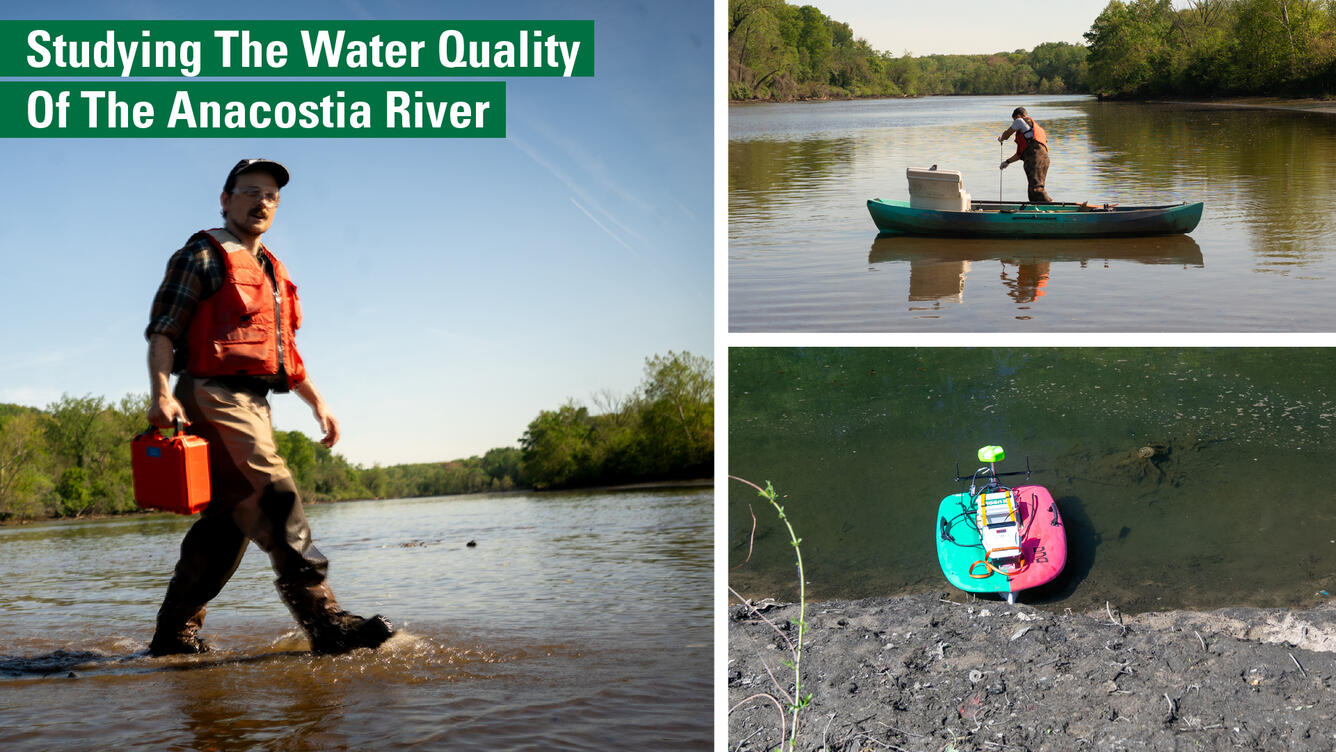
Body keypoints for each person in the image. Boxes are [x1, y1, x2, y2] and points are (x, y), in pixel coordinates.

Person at [144, 158, 394, 656]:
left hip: (253, 403)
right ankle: (327, 624)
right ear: (225, 199)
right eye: (251, 191)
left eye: (271, 196)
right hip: (211, 394)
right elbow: (163, 332)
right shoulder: (201, 255)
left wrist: (319, 405)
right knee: (276, 494)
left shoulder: (273, 272)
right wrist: (161, 392)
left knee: (226, 524)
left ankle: (173, 637)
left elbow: (286, 356)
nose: (262, 202)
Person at [998, 106, 1054, 203]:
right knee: (1032, 190)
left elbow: (1007, 135)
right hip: (1042, 159)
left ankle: (1053, 208)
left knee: (1036, 189)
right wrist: (1007, 162)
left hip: (1036, 158)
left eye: (1014, 119)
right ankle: (1037, 211)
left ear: (1019, 116)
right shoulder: (1032, 131)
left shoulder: (1020, 121)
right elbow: (1019, 154)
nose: (1014, 122)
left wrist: (1002, 138)